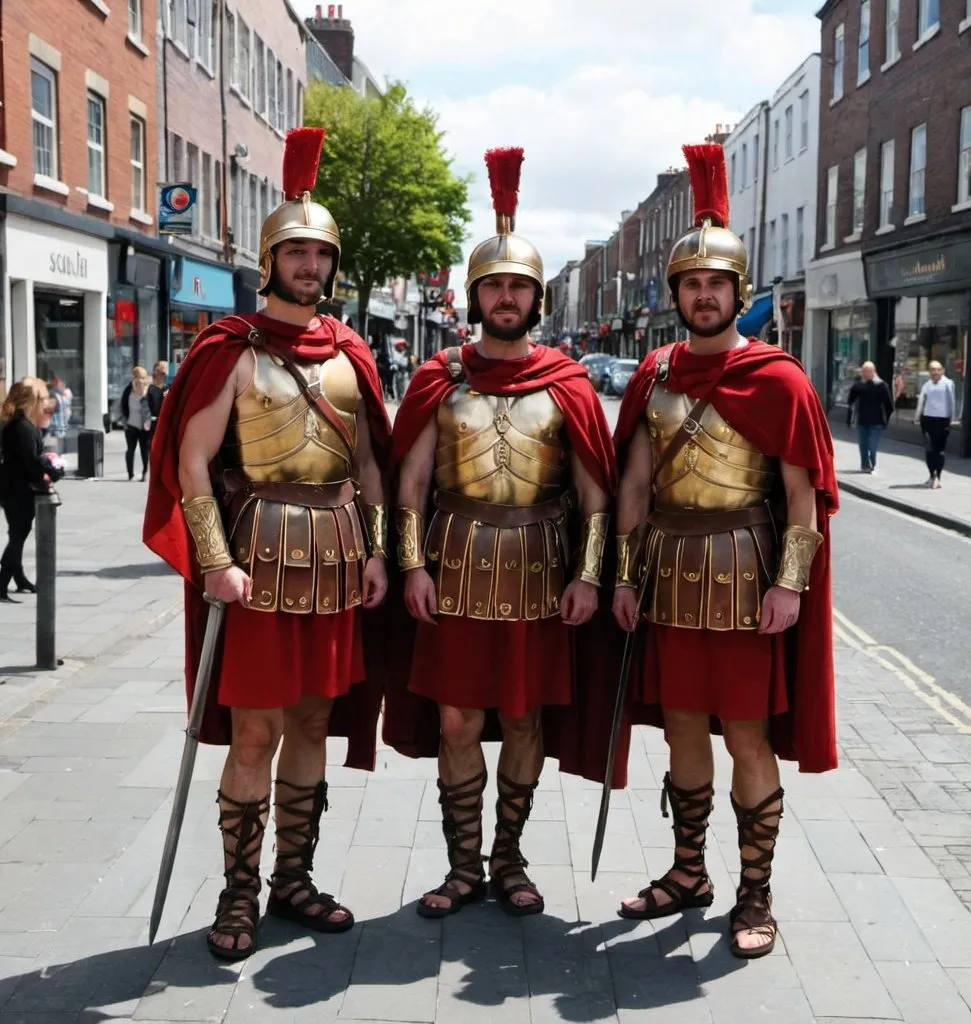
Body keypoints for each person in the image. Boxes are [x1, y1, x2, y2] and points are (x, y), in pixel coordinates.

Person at [143, 128, 392, 962]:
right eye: (296, 252)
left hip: (334, 559)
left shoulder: (352, 354)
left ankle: (294, 879)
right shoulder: (232, 349)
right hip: (258, 560)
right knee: (255, 733)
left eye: (321, 254)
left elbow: (369, 463)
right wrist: (214, 558)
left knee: (314, 722)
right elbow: (191, 460)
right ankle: (238, 893)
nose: (310, 266)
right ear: (270, 259)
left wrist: (380, 551)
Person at [611, 143, 838, 959]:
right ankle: (687, 872)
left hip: (746, 575)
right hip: (670, 574)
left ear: (738, 294)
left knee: (747, 736)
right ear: (676, 294)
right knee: (679, 730)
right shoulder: (655, 374)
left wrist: (791, 585)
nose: (703, 296)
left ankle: (755, 893)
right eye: (691, 284)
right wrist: (625, 576)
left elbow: (805, 495)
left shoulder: (779, 380)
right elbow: (634, 485)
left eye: (716, 285)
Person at [384, 147, 617, 919]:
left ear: (536, 296)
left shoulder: (567, 380)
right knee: (457, 717)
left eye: (519, 285)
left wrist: (587, 575)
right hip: (452, 569)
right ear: (474, 294)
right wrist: (411, 566)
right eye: (494, 285)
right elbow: (410, 481)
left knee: (524, 717)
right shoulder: (438, 378)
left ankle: (509, 859)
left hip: (540, 573)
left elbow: (595, 493)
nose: (507, 296)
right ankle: (461, 868)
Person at [1, 378, 64, 601]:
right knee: (18, 535)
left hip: (15, 488)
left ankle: (18, 578)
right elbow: (30, 462)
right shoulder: (22, 427)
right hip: (18, 490)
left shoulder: (23, 425)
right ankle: (2, 582)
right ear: (33, 401)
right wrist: (51, 472)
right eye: (43, 398)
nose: (46, 403)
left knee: (17, 533)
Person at [914, 360, 956, 489]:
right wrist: (916, 417)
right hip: (927, 420)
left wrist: (953, 418)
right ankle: (932, 475)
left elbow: (952, 401)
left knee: (939, 450)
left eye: (938, 369)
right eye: (932, 369)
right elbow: (921, 401)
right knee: (929, 449)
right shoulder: (927, 385)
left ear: (942, 370)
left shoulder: (948, 384)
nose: (935, 372)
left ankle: (938, 476)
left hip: (942, 420)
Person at [846, 361, 893, 473]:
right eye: (864, 371)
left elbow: (889, 404)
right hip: (861, 421)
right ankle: (865, 465)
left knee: (872, 445)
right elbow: (850, 401)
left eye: (868, 371)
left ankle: (872, 463)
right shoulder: (858, 385)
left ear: (874, 372)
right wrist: (849, 418)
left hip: (877, 422)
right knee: (863, 445)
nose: (866, 374)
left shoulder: (881, 385)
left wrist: (887, 419)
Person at [120, 367, 155, 481]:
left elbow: (154, 405)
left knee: (144, 449)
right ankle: (130, 473)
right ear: (133, 378)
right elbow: (123, 404)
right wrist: (124, 419)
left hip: (145, 425)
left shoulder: (149, 390)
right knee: (131, 449)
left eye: (142, 377)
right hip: (131, 424)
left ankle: (145, 472)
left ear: (145, 379)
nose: (139, 380)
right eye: (137, 377)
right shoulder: (129, 390)